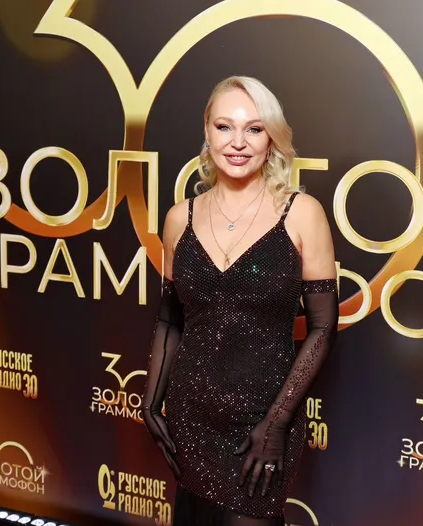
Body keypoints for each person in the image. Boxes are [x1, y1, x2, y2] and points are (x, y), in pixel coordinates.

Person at [142, 76, 339, 526]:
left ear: (271, 137)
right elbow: (170, 319)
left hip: (262, 420)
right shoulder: (179, 219)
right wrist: (151, 401)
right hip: (192, 415)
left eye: (253, 128)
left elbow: (323, 328)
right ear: (207, 131)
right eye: (224, 126)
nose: (237, 142)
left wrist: (277, 423)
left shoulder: (301, 213)